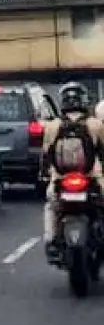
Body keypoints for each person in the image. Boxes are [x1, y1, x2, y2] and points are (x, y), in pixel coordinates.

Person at [42, 82, 104, 258]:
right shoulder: (95, 124)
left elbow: (46, 155)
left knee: (52, 206)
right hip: (91, 175)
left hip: (60, 177)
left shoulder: (52, 126)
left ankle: (51, 239)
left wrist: (44, 174)